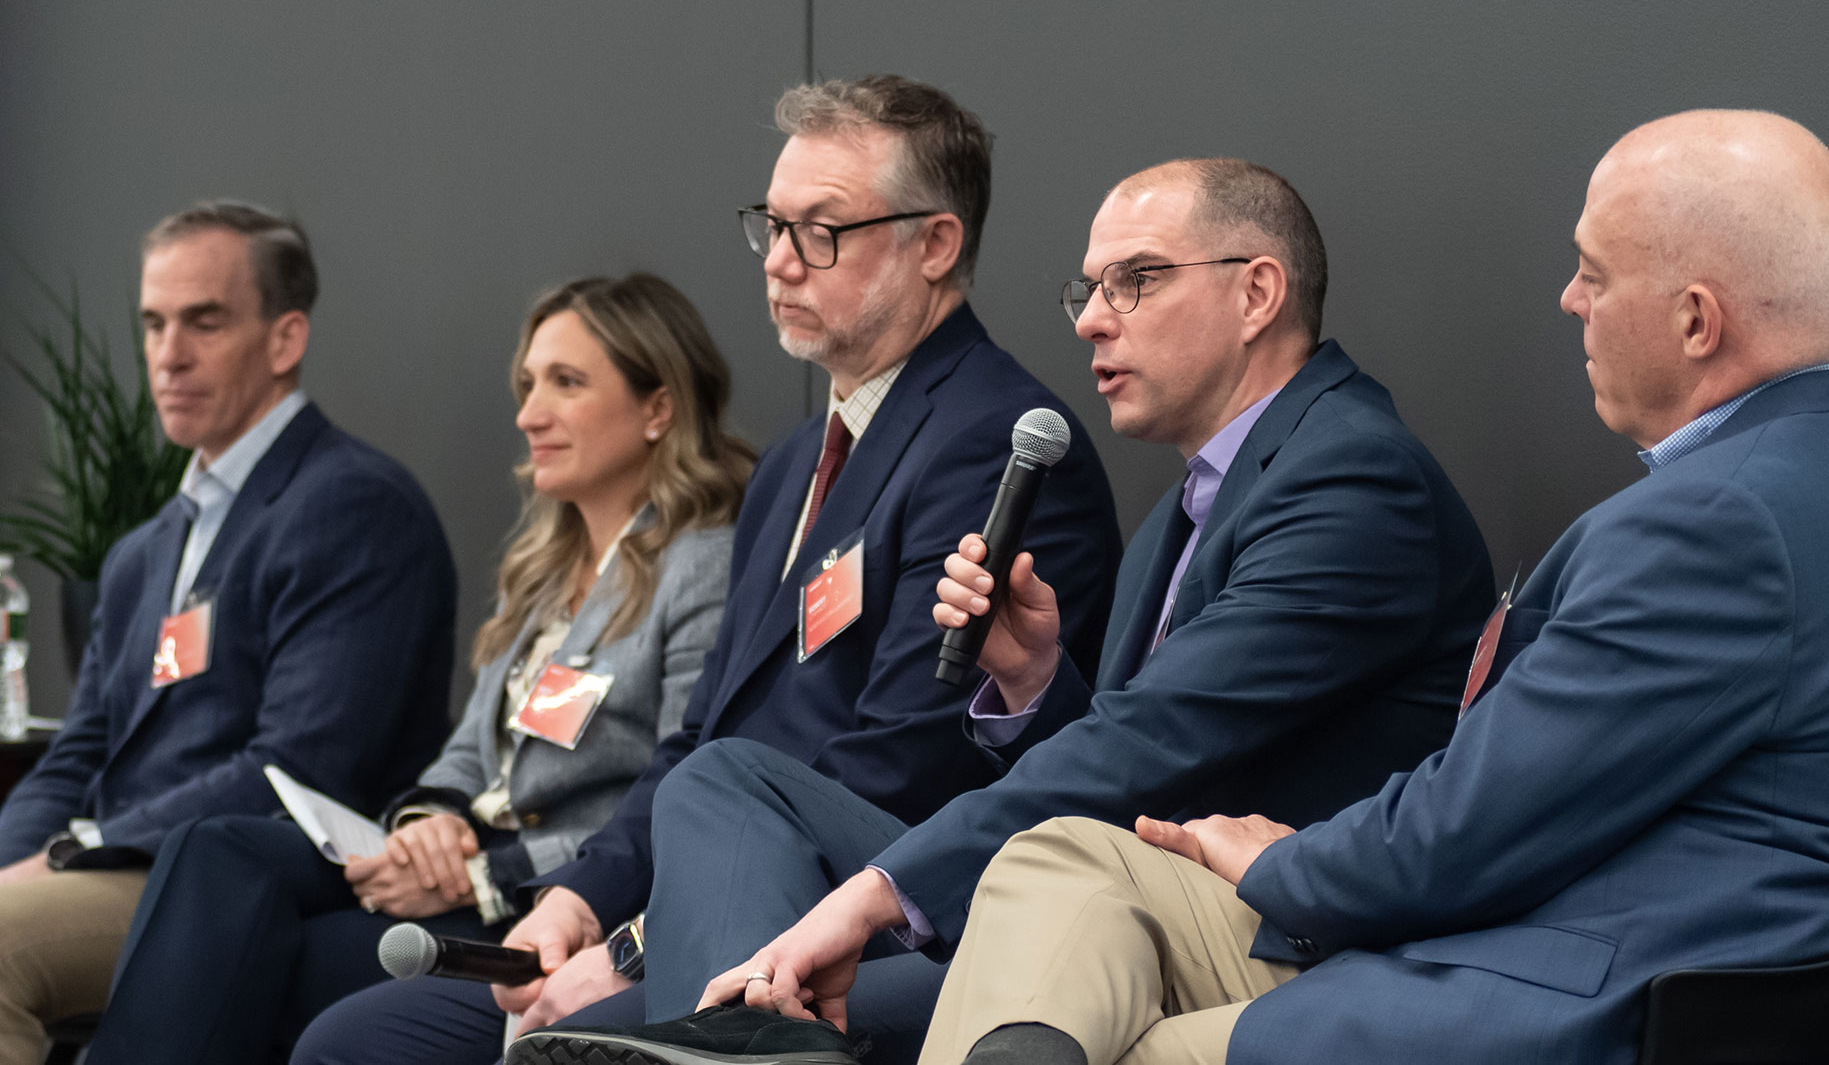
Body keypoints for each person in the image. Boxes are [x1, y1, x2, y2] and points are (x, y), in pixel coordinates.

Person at [902, 110, 1829, 1065]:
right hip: (1558, 951)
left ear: (1696, 321)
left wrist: (1281, 858)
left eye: (1593, 274)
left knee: (1126, 1044)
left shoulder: (1721, 522)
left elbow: (1466, 832)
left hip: (1557, 996)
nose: (1566, 300)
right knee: (1063, 867)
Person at [505, 157, 1496, 1065]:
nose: (1090, 320)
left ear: (1255, 291)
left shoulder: (1350, 480)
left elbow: (1149, 749)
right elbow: (1137, 762)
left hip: (1247, 928)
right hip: (1094, 886)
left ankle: (743, 1042)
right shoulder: (1183, 508)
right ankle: (747, 1041)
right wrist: (1029, 683)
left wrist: (866, 898)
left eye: (1134, 281)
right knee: (725, 781)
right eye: (1088, 288)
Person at [296, 75, 1121, 1065]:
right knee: (354, 1042)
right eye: (770, 227)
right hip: (695, 897)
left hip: (864, 926)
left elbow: (908, 768)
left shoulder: (990, 441)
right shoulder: (786, 466)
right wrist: (576, 902)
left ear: (935, 245)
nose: (779, 262)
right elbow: (699, 732)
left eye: (821, 231)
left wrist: (632, 947)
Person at [82, 273, 751, 1063]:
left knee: (258, 963)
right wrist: (425, 824)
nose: (529, 413)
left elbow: (673, 789)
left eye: (566, 384)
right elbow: (468, 754)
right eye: (528, 384)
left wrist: (483, 872)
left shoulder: (701, 563)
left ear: (659, 408)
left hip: (550, 903)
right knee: (216, 848)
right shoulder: (543, 570)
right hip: (461, 869)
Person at [0, 202, 457, 1062]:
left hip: (231, 884)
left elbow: (299, 768)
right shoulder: (144, 549)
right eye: (154, 323)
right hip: (111, 867)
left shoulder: (353, 505)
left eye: (204, 322)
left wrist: (71, 852)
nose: (168, 355)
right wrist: (18, 856)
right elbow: (78, 748)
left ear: (284, 341)